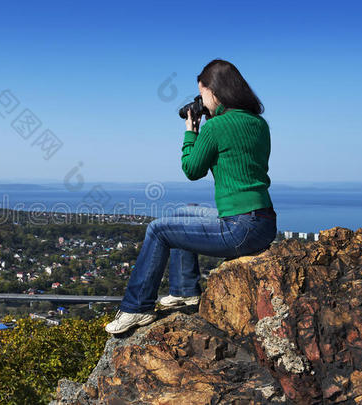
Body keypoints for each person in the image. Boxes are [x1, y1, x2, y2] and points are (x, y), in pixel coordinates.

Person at [105, 59, 277, 334]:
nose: (202, 99)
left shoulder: (215, 127)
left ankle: (136, 308)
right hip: (264, 223)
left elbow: (192, 169)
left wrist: (190, 133)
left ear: (214, 91)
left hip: (239, 228)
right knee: (185, 212)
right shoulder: (258, 123)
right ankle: (185, 290)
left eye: (202, 92)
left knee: (158, 230)